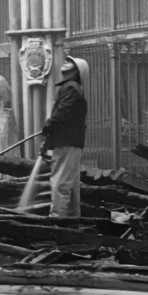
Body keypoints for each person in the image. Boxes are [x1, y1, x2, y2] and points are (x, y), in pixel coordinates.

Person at [40, 55, 89, 218]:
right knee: (71, 183)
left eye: (70, 62)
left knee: (60, 181)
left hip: (67, 142)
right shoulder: (72, 87)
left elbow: (64, 113)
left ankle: (57, 219)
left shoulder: (71, 88)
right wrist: (48, 142)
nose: (65, 63)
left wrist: (48, 124)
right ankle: (73, 218)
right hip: (72, 142)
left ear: (76, 70)